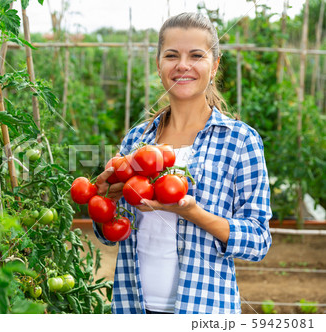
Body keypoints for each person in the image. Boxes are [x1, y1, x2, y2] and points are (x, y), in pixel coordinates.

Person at [92, 12, 272, 314]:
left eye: (196, 55)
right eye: (172, 55)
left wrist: (193, 213)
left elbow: (258, 240)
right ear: (159, 65)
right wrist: (105, 202)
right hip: (132, 306)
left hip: (204, 310)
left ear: (214, 66)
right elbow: (113, 233)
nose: (183, 65)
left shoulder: (240, 140)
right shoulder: (137, 139)